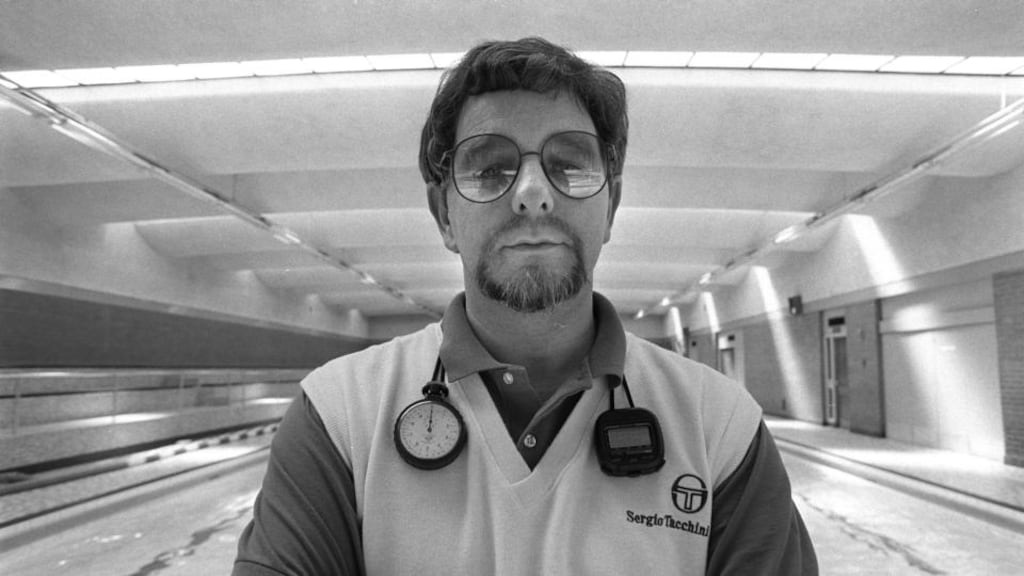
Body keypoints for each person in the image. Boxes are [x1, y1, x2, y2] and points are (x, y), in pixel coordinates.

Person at [233, 36, 817, 575]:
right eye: (490, 168)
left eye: (568, 163)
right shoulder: (339, 418)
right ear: (444, 215)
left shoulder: (720, 429)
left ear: (610, 207)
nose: (533, 194)